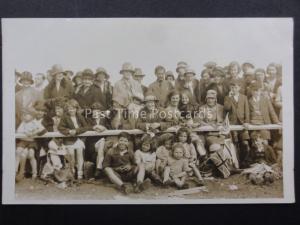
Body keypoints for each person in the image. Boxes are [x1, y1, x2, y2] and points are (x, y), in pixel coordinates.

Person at [58, 99, 89, 179]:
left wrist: (76, 131)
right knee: (71, 154)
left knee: (79, 152)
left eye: (73, 108)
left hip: (78, 139)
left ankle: (80, 173)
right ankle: (72, 171)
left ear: (76, 109)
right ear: (67, 109)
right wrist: (69, 131)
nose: (71, 110)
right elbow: (60, 128)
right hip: (69, 140)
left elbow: (86, 127)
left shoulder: (80, 116)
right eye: (70, 108)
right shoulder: (65, 117)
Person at [224, 80, 251, 167]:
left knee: (245, 143)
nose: (234, 89)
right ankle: (237, 163)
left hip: (242, 124)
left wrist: (246, 121)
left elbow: (247, 111)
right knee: (235, 143)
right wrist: (228, 97)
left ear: (239, 88)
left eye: (236, 87)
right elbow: (226, 108)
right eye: (232, 87)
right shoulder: (227, 98)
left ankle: (245, 162)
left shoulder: (244, 97)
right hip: (233, 124)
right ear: (230, 88)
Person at [16, 108, 47, 182]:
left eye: (27, 115)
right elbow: (18, 131)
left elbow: (43, 130)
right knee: (18, 152)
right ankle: (15, 171)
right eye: (24, 115)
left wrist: (34, 132)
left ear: (32, 116)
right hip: (23, 141)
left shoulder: (35, 122)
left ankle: (34, 173)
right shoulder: (23, 123)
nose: (25, 116)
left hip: (31, 142)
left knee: (31, 155)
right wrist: (25, 132)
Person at [111, 62, 144, 129]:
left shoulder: (136, 84)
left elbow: (141, 99)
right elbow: (115, 102)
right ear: (122, 73)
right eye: (126, 72)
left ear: (132, 73)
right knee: (117, 126)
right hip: (123, 110)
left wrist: (136, 107)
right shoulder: (117, 84)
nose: (128, 73)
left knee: (138, 126)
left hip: (136, 110)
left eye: (130, 72)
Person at [85, 102, 109, 177]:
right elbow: (85, 127)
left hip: (103, 142)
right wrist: (94, 127)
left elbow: (109, 128)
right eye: (94, 111)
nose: (96, 113)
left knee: (102, 142)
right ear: (91, 112)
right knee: (101, 142)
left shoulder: (104, 119)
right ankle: (99, 168)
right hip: (92, 142)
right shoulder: (88, 120)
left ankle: (98, 168)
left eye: (98, 111)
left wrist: (104, 128)